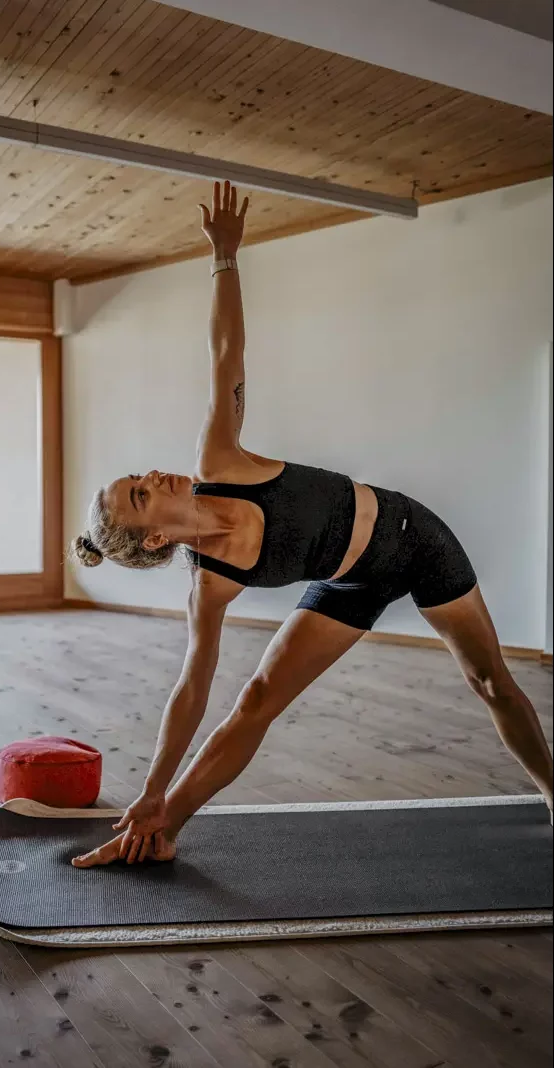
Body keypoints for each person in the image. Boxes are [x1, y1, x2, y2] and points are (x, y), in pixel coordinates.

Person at [69, 180, 554, 867]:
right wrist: (153, 786)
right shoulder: (210, 587)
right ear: (155, 539)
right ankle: (164, 823)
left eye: (138, 478)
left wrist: (225, 255)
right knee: (256, 698)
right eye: (141, 496)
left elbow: (226, 355)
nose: (152, 477)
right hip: (348, 583)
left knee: (492, 683)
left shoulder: (222, 461)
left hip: (412, 541)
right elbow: (192, 689)